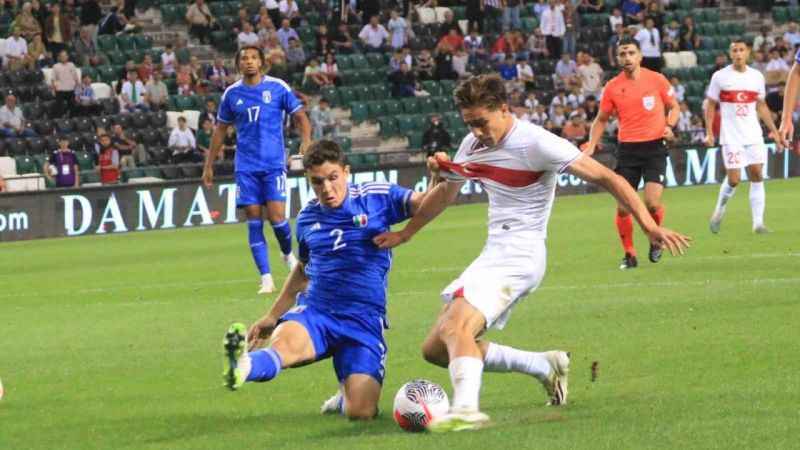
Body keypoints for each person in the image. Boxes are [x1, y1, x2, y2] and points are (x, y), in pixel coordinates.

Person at [371, 74, 691, 431]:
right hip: (495, 252)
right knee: (435, 349)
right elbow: (446, 194)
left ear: (504, 109)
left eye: (481, 122)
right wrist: (407, 233)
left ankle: (465, 409)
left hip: (521, 255)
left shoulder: (537, 143)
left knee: (456, 326)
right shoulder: (472, 144)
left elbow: (610, 179)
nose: (476, 131)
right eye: (469, 123)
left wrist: (649, 226)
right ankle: (544, 365)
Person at [223, 140, 429, 420]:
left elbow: (426, 203)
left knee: (361, 413)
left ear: (346, 172)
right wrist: (272, 316)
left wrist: (439, 177)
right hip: (318, 312)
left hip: (363, 320)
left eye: (333, 178)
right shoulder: (308, 219)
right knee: (284, 347)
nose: (327, 189)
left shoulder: (376, 197)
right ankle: (243, 366)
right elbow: (303, 270)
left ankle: (345, 395)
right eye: (317, 182)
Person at [202, 46, 311, 295]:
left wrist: (306, 141)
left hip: (273, 164)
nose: (249, 62)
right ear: (238, 64)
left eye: (253, 57)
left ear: (261, 62)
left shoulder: (277, 87)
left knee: (277, 217)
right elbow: (220, 130)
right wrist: (209, 165)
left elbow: (301, 116)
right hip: (246, 166)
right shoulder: (231, 94)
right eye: (244, 58)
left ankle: (287, 255)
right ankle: (266, 278)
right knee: (253, 217)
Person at [582, 38, 680, 270]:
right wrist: (591, 145)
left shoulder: (657, 79)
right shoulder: (613, 87)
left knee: (653, 204)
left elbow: (674, 107)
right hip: (628, 151)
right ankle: (629, 254)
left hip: (655, 147)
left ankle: (655, 241)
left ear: (640, 56)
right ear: (618, 58)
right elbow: (601, 119)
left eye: (631, 53)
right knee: (623, 206)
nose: (627, 57)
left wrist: (670, 125)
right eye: (622, 54)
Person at [705, 40, 784, 235]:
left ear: (748, 52)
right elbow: (710, 105)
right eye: (734, 50)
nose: (738, 53)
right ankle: (720, 209)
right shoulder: (720, 77)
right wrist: (708, 132)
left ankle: (758, 223)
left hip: (753, 134)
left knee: (757, 174)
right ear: (730, 53)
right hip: (731, 136)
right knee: (734, 179)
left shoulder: (756, 76)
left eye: (741, 50)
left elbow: (761, 106)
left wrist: (773, 130)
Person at [52, 50, 80, 118]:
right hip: (60, 90)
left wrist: (78, 90)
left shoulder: (72, 65)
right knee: (59, 107)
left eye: (65, 56)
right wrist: (53, 89)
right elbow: (53, 79)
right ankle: (59, 120)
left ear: (67, 57)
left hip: (71, 89)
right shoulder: (56, 66)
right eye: (62, 56)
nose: (64, 57)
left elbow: (76, 78)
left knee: (73, 106)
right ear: (59, 57)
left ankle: (72, 119)